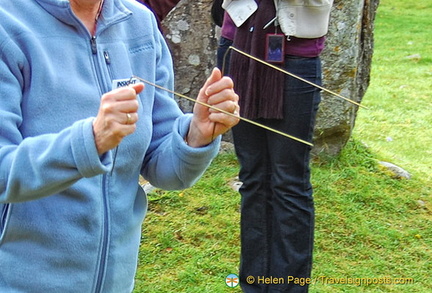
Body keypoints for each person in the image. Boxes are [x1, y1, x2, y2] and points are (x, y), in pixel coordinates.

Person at [0, 0, 239, 292]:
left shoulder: (139, 23)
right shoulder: (7, 23)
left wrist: (196, 136)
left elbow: (163, 166)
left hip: (116, 282)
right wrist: (92, 141)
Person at [219, 0, 333, 292]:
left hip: (295, 55)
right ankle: (254, 285)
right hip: (238, 44)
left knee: (288, 181)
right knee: (253, 177)